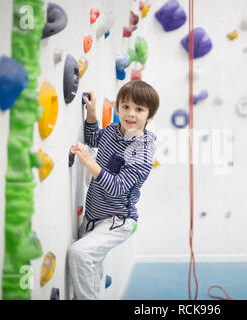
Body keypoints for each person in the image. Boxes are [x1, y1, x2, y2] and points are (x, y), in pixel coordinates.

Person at [67, 80, 159, 300]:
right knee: (91, 267)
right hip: (93, 216)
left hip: (117, 221)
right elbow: (92, 138)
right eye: (125, 106)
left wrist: (89, 162)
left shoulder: (142, 152)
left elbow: (117, 188)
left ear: (150, 115)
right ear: (118, 107)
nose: (131, 114)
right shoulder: (113, 131)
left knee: (79, 253)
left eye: (139, 109)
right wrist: (91, 113)